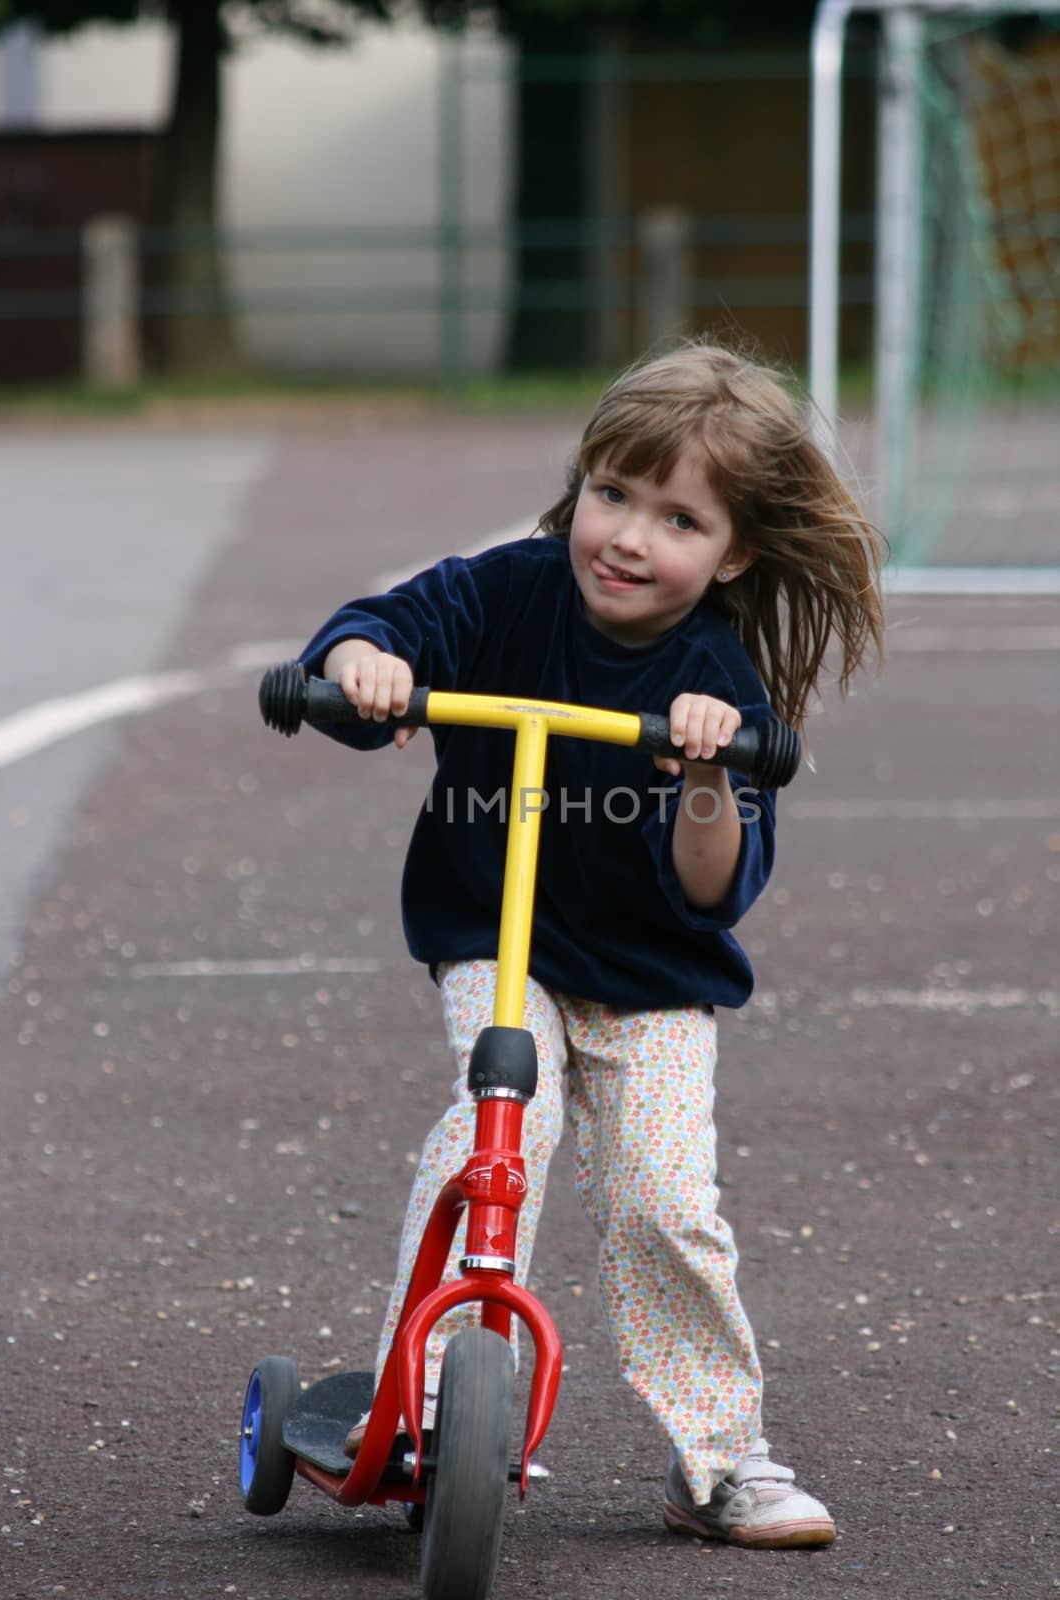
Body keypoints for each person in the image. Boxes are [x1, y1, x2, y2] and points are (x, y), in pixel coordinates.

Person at [297, 340, 885, 1549]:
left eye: (678, 519)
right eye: (612, 494)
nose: (627, 535)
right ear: (579, 485)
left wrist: (710, 769)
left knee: (666, 1205)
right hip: (498, 947)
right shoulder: (507, 594)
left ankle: (720, 1460)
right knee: (491, 1137)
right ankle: (429, 1405)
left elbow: (709, 891)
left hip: (651, 983)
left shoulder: (714, 680)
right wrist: (363, 666)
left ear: (735, 552)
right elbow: (383, 624)